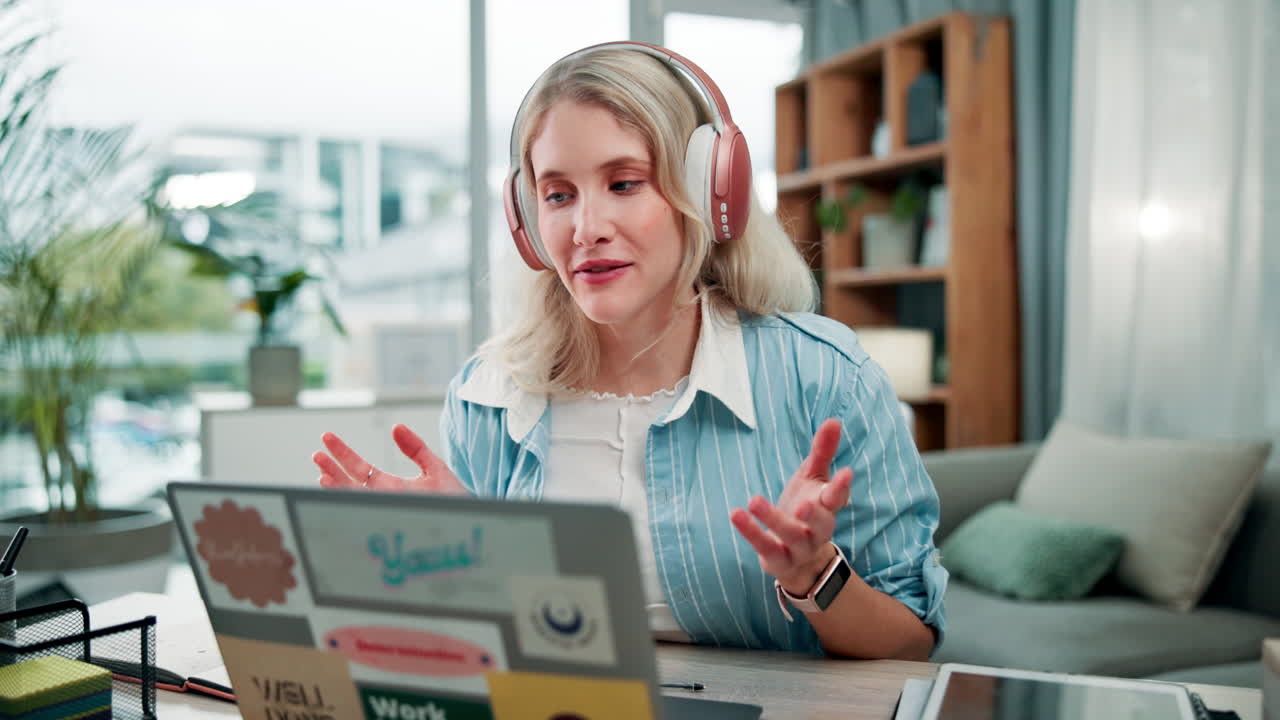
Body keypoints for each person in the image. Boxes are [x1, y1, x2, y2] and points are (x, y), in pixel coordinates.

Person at [313, 41, 947, 660]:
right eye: (558, 194)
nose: (586, 228)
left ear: (706, 192)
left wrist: (815, 575)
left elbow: (913, 640)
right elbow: (483, 653)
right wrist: (449, 568)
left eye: (623, 183)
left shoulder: (825, 377)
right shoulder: (489, 397)